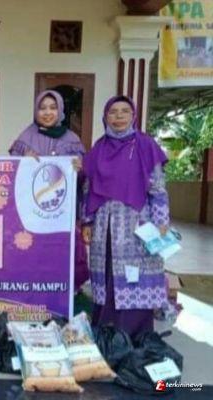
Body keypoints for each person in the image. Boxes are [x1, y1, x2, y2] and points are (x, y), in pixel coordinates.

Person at [82, 95, 169, 338]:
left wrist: (161, 221)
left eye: (124, 111)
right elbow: (88, 187)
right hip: (105, 224)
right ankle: (107, 333)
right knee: (108, 274)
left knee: (135, 275)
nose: (119, 116)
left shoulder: (146, 145)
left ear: (133, 116)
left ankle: (135, 332)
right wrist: (87, 220)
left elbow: (158, 188)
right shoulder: (99, 148)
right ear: (105, 117)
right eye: (113, 112)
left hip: (137, 223)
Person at [9, 90, 89, 291]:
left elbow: (82, 178)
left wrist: (79, 169)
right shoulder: (25, 138)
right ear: (35, 111)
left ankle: (65, 293)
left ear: (60, 110)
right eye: (42, 108)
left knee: (61, 251)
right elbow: (12, 174)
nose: (47, 112)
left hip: (61, 212)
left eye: (53, 108)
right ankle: (33, 292)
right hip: (32, 212)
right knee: (33, 251)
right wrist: (22, 161)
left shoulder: (72, 139)